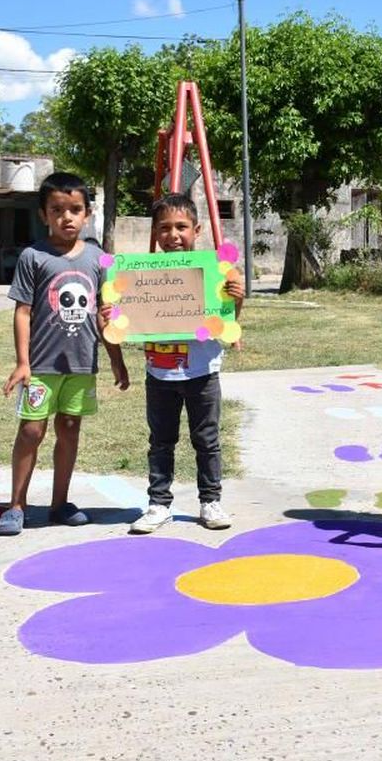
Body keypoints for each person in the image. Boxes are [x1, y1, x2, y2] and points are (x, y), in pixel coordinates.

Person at [0, 172, 129, 536]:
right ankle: (16, 506)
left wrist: (116, 360)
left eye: (75, 209)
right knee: (32, 431)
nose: (66, 217)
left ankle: (60, 504)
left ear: (87, 214)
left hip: (82, 365)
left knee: (69, 429)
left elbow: (107, 316)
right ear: (43, 215)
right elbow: (22, 312)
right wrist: (23, 362)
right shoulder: (33, 256)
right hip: (41, 366)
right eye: (57, 210)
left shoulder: (99, 259)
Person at [128, 193, 245, 534]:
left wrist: (236, 300)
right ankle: (158, 504)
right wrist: (115, 314)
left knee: (207, 440)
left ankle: (210, 501)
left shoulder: (215, 272)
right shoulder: (143, 275)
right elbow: (128, 322)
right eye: (164, 228)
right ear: (155, 233)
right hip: (159, 374)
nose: (173, 235)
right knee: (161, 442)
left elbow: (227, 321)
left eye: (181, 227)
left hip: (202, 373)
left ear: (197, 230)